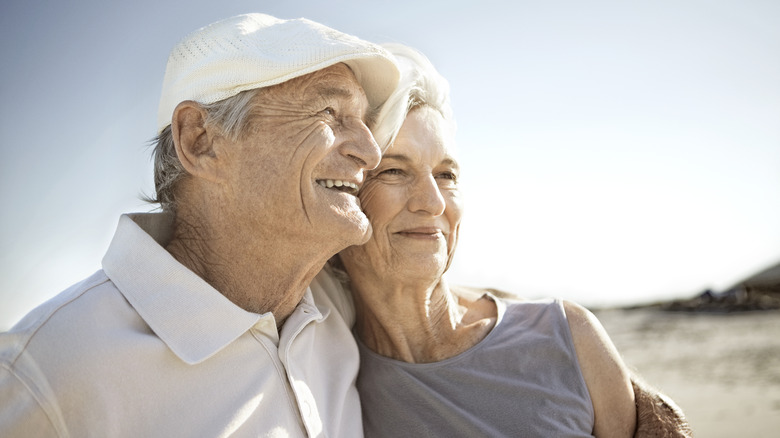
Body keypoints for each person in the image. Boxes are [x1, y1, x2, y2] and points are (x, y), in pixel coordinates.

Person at [0, 13, 399, 437]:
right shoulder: (47, 371)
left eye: (365, 123)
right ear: (200, 141)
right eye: (329, 112)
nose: (371, 153)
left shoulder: (340, 308)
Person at [335, 44, 691, 437]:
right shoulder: (324, 374)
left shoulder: (567, 333)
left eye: (446, 174)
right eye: (394, 171)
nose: (433, 202)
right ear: (343, 195)